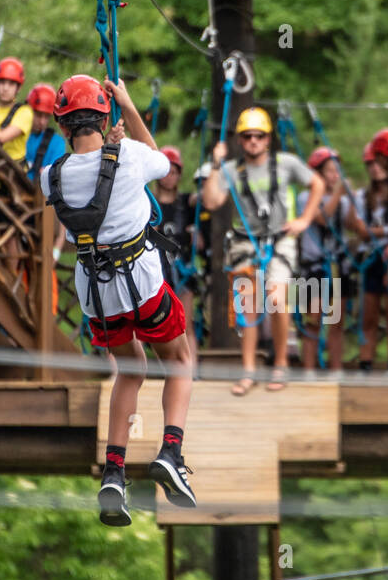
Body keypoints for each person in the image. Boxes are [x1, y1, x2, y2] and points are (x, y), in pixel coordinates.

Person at [39, 74, 195, 527]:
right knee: (180, 359)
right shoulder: (128, 156)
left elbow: (88, 177)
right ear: (104, 116)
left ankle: (114, 472)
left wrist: (109, 143)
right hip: (142, 283)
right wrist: (128, 107)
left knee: (131, 371)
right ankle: (170, 450)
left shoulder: (53, 177)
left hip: (96, 295)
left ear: (62, 126)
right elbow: (163, 164)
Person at [202, 106, 324, 394]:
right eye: (247, 137)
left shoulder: (287, 163)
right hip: (245, 241)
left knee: (278, 299)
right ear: (240, 140)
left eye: (258, 136)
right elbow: (211, 202)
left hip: (278, 240)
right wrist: (216, 165)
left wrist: (304, 220)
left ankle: (280, 363)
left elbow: (317, 183)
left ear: (268, 138)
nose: (253, 141)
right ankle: (248, 371)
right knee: (248, 306)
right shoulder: (231, 170)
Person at [298, 146, 365, 371]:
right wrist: (338, 194)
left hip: (337, 265)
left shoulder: (342, 201)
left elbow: (353, 225)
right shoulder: (305, 197)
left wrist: (354, 202)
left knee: (336, 322)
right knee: (313, 319)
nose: (335, 176)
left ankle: (336, 370)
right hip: (314, 267)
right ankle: (308, 369)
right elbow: (322, 219)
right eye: (329, 171)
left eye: (337, 172)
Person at [151, 145, 200, 364]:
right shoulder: (148, 204)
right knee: (159, 324)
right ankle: (167, 369)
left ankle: (191, 370)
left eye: (174, 172)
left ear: (179, 175)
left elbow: (205, 198)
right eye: (165, 171)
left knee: (186, 324)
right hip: (156, 273)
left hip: (182, 273)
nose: (169, 177)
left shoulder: (187, 203)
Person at [355, 142, 388, 373]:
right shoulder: (362, 197)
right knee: (369, 316)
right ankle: (365, 364)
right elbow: (361, 230)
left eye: (377, 162)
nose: (374, 168)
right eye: (369, 164)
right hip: (371, 258)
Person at [26, 82, 69, 268]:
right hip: (16, 203)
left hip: (41, 212)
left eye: (46, 116)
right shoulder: (19, 135)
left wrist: (57, 250)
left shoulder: (56, 143)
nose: (42, 121)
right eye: (38, 115)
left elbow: (59, 190)